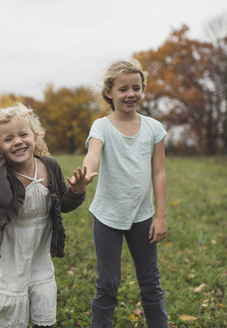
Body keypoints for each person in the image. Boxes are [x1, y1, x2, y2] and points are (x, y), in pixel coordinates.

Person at [0, 103, 91, 328]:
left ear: (35, 136)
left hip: (38, 248)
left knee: (42, 298)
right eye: (7, 139)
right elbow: (0, 199)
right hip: (10, 248)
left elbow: (63, 205)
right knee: (13, 305)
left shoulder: (50, 166)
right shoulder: (4, 175)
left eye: (23, 134)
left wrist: (77, 192)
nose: (17, 141)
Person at [80, 58, 169, 328]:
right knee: (107, 285)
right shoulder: (101, 126)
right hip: (107, 216)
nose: (131, 94)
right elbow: (93, 154)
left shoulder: (154, 128)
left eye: (136, 87)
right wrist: (85, 174)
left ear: (142, 89)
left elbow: (159, 173)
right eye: (123, 89)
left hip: (143, 217)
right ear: (109, 92)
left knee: (151, 284)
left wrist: (161, 216)